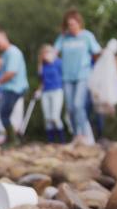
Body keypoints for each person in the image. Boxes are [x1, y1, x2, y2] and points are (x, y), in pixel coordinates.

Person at [54, 9, 101, 145]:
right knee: (70, 108)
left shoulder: (87, 36)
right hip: (67, 77)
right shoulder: (63, 38)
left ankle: (83, 135)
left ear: (79, 23)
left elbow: (97, 52)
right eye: (69, 25)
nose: (71, 27)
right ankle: (76, 135)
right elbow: (54, 53)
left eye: (73, 24)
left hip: (83, 75)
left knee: (78, 105)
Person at [0, 29, 29, 143]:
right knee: (4, 114)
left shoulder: (13, 52)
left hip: (15, 88)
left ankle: (13, 140)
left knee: (4, 114)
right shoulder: (5, 54)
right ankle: (10, 139)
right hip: (8, 88)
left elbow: (11, 72)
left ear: (4, 38)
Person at [36, 44, 65, 143]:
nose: (46, 55)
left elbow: (64, 77)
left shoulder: (58, 63)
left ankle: (62, 141)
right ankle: (50, 142)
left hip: (57, 91)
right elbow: (42, 81)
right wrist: (39, 90)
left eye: (48, 52)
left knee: (55, 117)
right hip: (45, 92)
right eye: (44, 53)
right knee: (47, 118)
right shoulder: (42, 65)